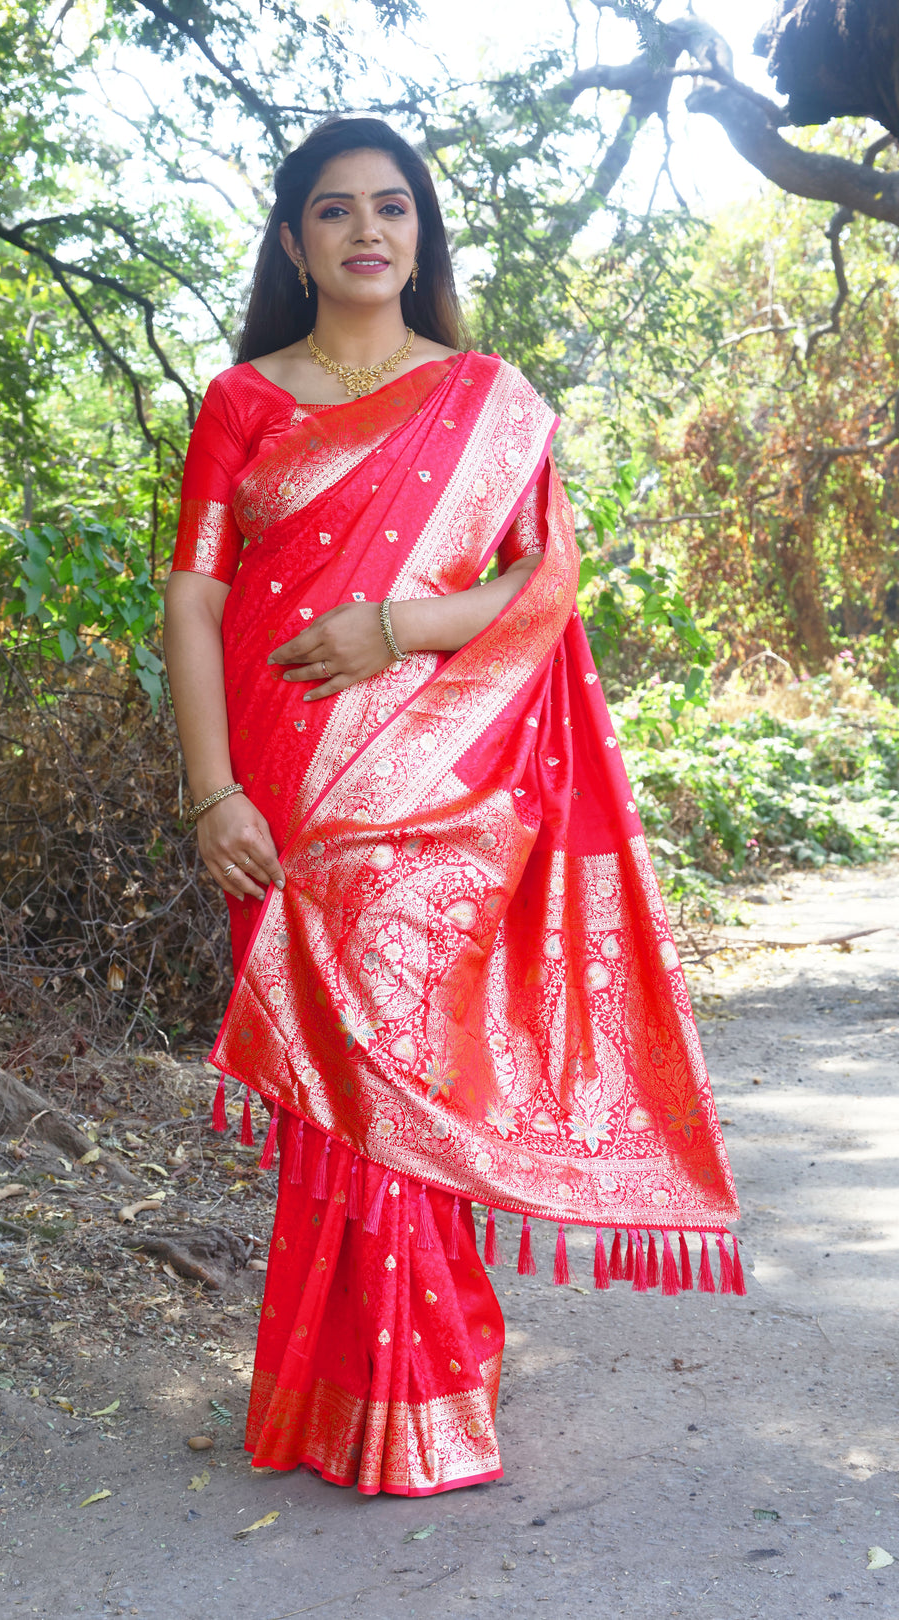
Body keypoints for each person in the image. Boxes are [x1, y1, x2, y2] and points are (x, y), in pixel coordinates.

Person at [164, 116, 741, 1499]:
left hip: (437, 782)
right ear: (296, 244)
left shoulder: (488, 397)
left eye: (394, 208)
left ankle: (417, 1392)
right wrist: (209, 792)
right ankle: (340, 1391)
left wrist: (396, 626)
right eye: (335, 210)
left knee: (395, 1077)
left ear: (421, 235)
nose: (369, 230)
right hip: (286, 785)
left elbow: (545, 585)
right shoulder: (243, 402)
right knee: (339, 1089)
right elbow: (194, 600)